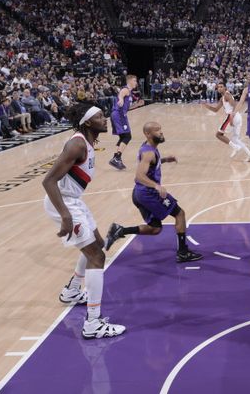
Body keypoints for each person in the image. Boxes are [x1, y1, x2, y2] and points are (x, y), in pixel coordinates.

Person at [41, 103, 126, 338]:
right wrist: (65, 216)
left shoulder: (86, 143)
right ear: (88, 122)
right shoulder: (77, 144)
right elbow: (48, 181)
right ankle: (93, 323)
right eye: (99, 116)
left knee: (97, 245)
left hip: (74, 201)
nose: (105, 118)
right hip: (64, 202)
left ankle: (72, 291)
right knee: (97, 257)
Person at [104, 122, 202, 262]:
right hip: (148, 194)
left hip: (139, 193)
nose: (161, 132)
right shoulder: (149, 153)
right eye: (157, 130)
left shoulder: (148, 147)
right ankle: (183, 252)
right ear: (148, 134)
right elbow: (139, 176)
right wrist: (156, 186)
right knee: (180, 214)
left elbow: (150, 164)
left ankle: (120, 231)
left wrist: (164, 160)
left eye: (161, 129)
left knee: (155, 229)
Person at [204, 81, 250, 163]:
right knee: (236, 138)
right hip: (237, 117)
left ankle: (235, 147)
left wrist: (231, 117)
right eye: (218, 87)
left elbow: (234, 105)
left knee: (218, 134)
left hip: (232, 116)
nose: (220, 88)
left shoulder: (227, 95)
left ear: (225, 88)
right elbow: (216, 110)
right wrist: (207, 106)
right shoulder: (222, 98)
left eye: (221, 86)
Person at [109, 74, 140, 170]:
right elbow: (121, 94)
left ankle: (117, 158)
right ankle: (116, 158)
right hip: (119, 115)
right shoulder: (126, 89)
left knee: (123, 137)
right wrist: (121, 99)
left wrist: (136, 105)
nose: (136, 83)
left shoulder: (130, 93)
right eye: (135, 81)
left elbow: (127, 107)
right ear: (130, 81)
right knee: (127, 136)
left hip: (120, 115)